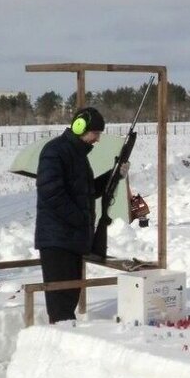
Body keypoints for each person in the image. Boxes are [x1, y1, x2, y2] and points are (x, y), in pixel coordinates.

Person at [34, 106, 120, 323]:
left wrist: (114, 175)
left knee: (68, 301)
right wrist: (81, 219)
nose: (97, 139)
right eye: (96, 133)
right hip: (57, 240)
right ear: (80, 127)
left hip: (70, 239)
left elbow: (88, 191)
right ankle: (59, 350)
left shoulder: (77, 155)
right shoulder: (55, 152)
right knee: (61, 306)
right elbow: (51, 194)